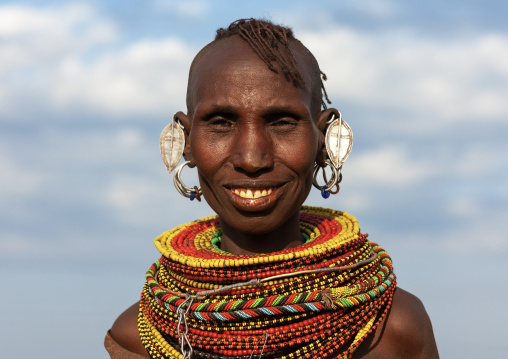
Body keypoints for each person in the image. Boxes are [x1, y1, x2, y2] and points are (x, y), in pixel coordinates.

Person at [106, 19, 439, 359]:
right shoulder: (142, 335)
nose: (252, 158)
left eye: (282, 122)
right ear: (186, 142)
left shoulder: (393, 329)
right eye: (221, 123)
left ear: (324, 141)